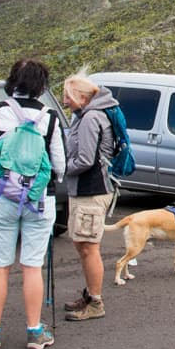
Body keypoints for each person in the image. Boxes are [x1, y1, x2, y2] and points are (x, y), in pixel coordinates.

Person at [0, 58, 66, 349]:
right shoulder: (50, 117)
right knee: (33, 266)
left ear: (12, 81)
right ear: (41, 86)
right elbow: (60, 166)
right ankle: (35, 332)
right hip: (40, 199)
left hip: (2, 199)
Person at [61, 71, 121, 321]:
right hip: (87, 189)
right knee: (83, 244)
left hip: (92, 189)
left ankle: (95, 302)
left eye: (67, 96)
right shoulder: (87, 116)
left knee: (89, 246)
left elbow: (85, 159)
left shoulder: (90, 118)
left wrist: (61, 168)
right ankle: (90, 295)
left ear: (81, 97)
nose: (64, 101)